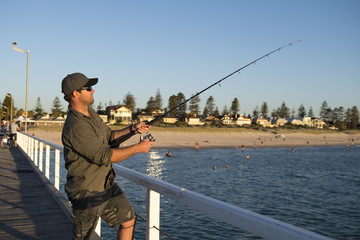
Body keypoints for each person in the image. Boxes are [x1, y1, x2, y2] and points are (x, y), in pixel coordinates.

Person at [61, 72, 154, 240]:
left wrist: (133, 129)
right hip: (86, 190)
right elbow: (104, 156)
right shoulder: (76, 126)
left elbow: (110, 137)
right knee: (84, 237)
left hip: (105, 184)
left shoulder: (91, 113)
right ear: (75, 93)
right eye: (88, 88)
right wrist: (138, 148)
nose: (93, 91)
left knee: (128, 219)